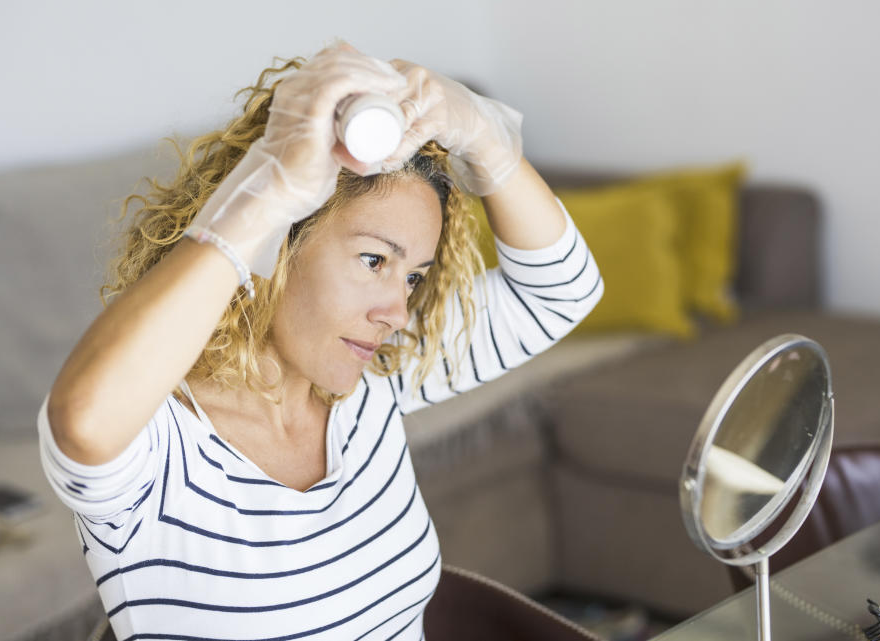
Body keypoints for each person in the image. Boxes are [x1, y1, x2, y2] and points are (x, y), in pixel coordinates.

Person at [39, 43, 603, 640]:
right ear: (279, 245)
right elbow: (81, 419)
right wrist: (267, 186)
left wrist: (483, 136)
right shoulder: (159, 447)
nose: (395, 310)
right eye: (372, 259)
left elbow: (560, 293)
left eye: (412, 276)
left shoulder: (373, 381)